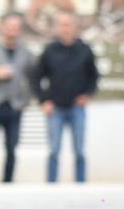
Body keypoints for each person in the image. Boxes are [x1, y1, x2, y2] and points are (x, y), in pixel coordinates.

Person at [34, 11, 99, 183]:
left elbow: (94, 76)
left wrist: (86, 94)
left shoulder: (85, 50)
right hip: (55, 108)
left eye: (68, 24)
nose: (65, 28)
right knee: (54, 151)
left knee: (79, 151)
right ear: (57, 27)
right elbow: (36, 77)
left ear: (75, 27)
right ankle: (51, 187)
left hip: (77, 108)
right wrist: (44, 101)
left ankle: (80, 187)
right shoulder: (49, 50)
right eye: (62, 24)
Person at [0, 13, 35, 182]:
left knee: (12, 148)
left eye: (16, 28)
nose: (12, 31)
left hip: (14, 106)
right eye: (9, 27)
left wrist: (26, 100)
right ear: (3, 27)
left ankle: (8, 183)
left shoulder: (25, 52)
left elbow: (33, 78)